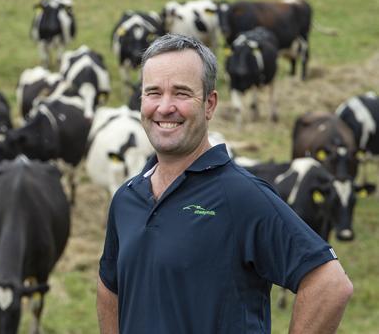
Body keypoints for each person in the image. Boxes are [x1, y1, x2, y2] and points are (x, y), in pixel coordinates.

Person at [96, 33, 353, 333]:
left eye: (181, 93)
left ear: (209, 104)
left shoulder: (240, 195)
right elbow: (108, 287)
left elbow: (330, 285)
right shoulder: (127, 198)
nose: (165, 107)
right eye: (153, 92)